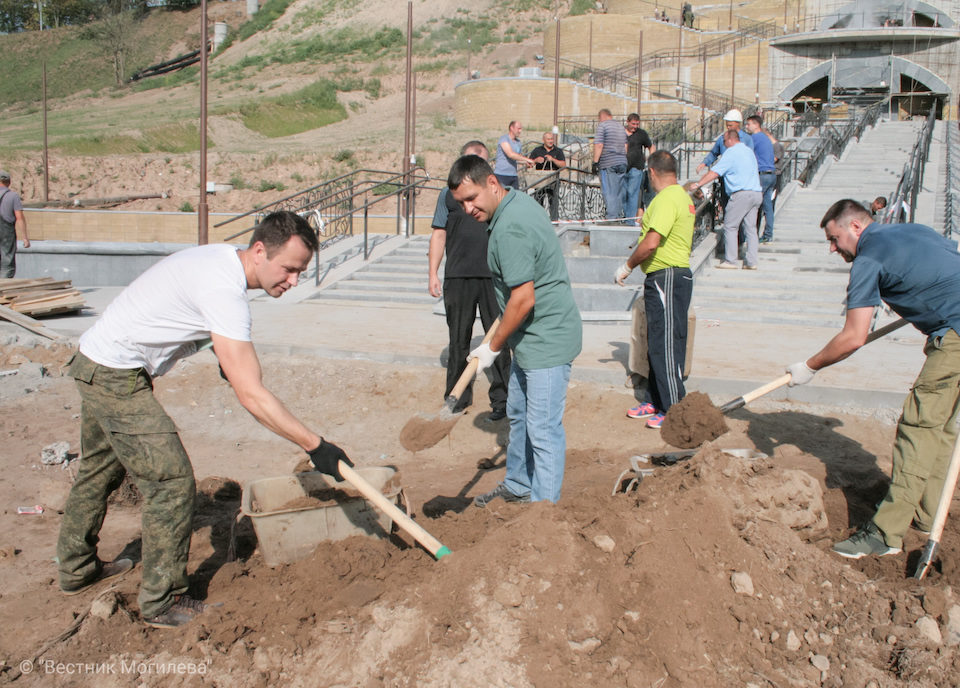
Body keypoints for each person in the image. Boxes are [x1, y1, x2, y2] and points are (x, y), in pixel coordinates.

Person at [56, 211, 354, 628]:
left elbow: (216, 338)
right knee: (172, 482)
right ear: (258, 251)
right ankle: (163, 602)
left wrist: (229, 364)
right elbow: (251, 394)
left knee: (99, 471)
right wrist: (315, 445)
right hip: (115, 374)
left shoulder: (221, 262)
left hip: (97, 360)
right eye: (289, 269)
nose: (293, 280)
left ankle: (76, 569)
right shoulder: (224, 290)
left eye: (301, 271)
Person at [786, 199, 960, 559]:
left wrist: (811, 365)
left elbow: (853, 336)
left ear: (856, 228)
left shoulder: (868, 259)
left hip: (954, 335)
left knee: (918, 429)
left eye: (834, 239)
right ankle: (927, 516)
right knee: (942, 430)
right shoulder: (914, 230)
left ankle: (885, 534)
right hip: (953, 323)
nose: (832, 248)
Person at [448, 155, 582, 506]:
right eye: (460, 202)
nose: (467, 209)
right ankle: (520, 484)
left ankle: (543, 513)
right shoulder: (516, 203)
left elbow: (522, 299)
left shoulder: (510, 228)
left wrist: (491, 346)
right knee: (520, 416)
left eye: (472, 198)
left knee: (543, 429)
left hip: (546, 340)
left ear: (492, 183)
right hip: (530, 340)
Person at [428, 141, 510, 421]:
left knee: (498, 340)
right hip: (458, 277)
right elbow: (438, 234)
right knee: (458, 340)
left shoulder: (497, 197)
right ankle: (456, 398)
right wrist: (433, 273)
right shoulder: (447, 196)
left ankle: (503, 399)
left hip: (493, 277)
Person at [615, 151, 695, 429]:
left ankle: (674, 410)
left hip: (667, 277)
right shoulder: (677, 198)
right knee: (656, 342)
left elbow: (651, 243)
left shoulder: (666, 199)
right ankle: (655, 400)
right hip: (663, 277)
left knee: (667, 345)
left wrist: (627, 266)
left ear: (651, 172)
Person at [687, 129, 762, 269]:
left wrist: (698, 184)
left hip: (741, 193)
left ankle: (731, 260)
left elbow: (715, 172)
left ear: (730, 140)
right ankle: (752, 262)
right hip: (756, 192)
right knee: (751, 229)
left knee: (730, 226)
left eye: (724, 141)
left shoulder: (731, 153)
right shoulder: (748, 151)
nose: (723, 144)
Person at [744, 115, 777, 243]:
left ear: (756, 125)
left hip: (762, 175)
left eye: (749, 124)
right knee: (768, 206)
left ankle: (751, 235)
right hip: (771, 174)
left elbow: (746, 153)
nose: (747, 127)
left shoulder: (755, 138)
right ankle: (768, 234)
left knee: (753, 205)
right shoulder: (765, 137)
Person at [593, 109, 629, 223]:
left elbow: (599, 145)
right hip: (622, 161)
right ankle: (617, 216)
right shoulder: (620, 127)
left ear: (601, 117)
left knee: (609, 191)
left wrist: (595, 162)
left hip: (608, 162)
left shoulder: (603, 126)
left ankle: (611, 219)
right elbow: (626, 146)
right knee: (618, 191)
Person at [696, 109, 754, 176]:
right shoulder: (722, 138)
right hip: (725, 175)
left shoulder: (746, 139)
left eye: (730, 125)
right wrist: (704, 163)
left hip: (741, 176)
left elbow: (750, 158)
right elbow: (714, 153)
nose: (728, 127)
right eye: (727, 125)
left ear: (738, 123)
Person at [622, 113, 655, 227]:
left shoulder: (641, 134)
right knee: (623, 194)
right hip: (622, 168)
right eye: (633, 124)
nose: (635, 126)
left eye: (637, 124)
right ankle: (626, 216)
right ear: (627, 122)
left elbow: (651, 146)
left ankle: (629, 221)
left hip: (636, 168)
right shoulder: (621, 133)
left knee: (632, 193)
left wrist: (651, 160)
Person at [528, 132, 567, 219]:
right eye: (548, 139)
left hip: (553, 181)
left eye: (552, 139)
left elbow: (563, 165)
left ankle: (554, 222)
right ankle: (538, 221)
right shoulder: (537, 150)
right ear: (543, 140)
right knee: (538, 203)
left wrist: (552, 159)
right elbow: (528, 164)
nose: (550, 141)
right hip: (540, 181)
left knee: (553, 204)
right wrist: (535, 161)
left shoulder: (558, 151)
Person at [0, 170, 30, 278]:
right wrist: (25, 238)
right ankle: (3, 287)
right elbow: (19, 218)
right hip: (6, 233)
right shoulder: (13, 196)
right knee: (7, 261)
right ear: (9, 182)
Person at [494, 121, 533, 190]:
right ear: (511, 128)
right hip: (501, 175)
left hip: (513, 175)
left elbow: (517, 158)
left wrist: (526, 163)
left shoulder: (518, 142)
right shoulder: (504, 139)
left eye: (521, 129)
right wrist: (527, 159)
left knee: (515, 198)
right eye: (518, 128)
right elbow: (510, 155)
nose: (520, 131)